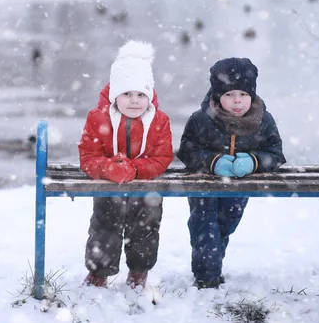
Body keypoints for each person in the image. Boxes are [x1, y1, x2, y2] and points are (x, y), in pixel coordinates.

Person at [177, 57, 286, 289]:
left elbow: (275, 152)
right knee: (204, 225)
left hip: (239, 187)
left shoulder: (263, 120)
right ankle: (207, 277)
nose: (237, 101)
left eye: (243, 95)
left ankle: (212, 265)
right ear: (217, 95)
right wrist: (212, 161)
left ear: (252, 95)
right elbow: (187, 150)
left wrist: (255, 162)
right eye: (229, 95)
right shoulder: (201, 119)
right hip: (204, 185)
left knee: (226, 225)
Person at [78, 40, 174, 289]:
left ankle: (139, 270)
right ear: (114, 95)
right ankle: (99, 271)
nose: (134, 101)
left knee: (146, 227)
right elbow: (88, 156)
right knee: (105, 225)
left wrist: (137, 169)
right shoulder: (98, 118)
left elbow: (163, 157)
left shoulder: (159, 120)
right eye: (127, 94)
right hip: (109, 185)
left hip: (146, 185)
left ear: (150, 95)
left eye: (141, 94)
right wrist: (108, 168)